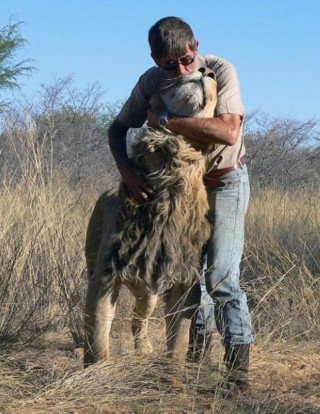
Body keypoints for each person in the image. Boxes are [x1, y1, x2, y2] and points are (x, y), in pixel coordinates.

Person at [107, 16, 254, 392]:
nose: (182, 69)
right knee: (187, 277)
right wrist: (127, 172)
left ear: (196, 46)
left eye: (188, 60)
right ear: (156, 59)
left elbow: (228, 130)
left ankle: (237, 375)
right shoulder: (150, 82)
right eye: (170, 64)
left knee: (220, 277)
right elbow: (117, 128)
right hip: (179, 190)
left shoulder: (220, 70)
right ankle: (194, 364)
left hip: (223, 183)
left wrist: (167, 120)